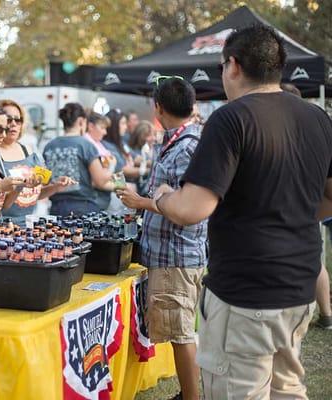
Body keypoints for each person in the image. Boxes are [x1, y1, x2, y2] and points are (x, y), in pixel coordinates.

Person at [135, 26, 332, 399]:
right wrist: (287, 211)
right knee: (286, 388)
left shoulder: (230, 118)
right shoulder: (317, 118)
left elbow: (192, 208)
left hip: (246, 293)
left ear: (233, 66)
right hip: (299, 287)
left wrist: (161, 196)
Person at [116, 77, 207, 400]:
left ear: (158, 108)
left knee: (182, 333)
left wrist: (141, 202)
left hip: (177, 255)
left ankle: (192, 397)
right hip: (171, 252)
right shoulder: (177, 141)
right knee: (179, 328)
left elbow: (186, 204)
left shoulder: (186, 147)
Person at [281, 82, 332, 329]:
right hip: (306, 216)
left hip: (292, 218)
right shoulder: (316, 131)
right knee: (315, 262)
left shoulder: (288, 135)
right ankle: (326, 314)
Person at [0, 99, 75, 226]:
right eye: (8, 119)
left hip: (28, 225)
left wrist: (56, 186)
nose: (13, 124)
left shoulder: (29, 151)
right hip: (2, 226)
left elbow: (36, 193)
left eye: (18, 120)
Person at [43, 103, 113, 216]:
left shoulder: (50, 146)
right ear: (81, 121)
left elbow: (44, 182)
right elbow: (100, 181)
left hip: (55, 207)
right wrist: (111, 166)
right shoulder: (86, 145)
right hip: (82, 207)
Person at [128, 120, 156, 196]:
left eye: (154, 135)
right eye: (149, 135)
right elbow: (138, 161)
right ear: (140, 136)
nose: (153, 138)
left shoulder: (153, 150)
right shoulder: (132, 151)